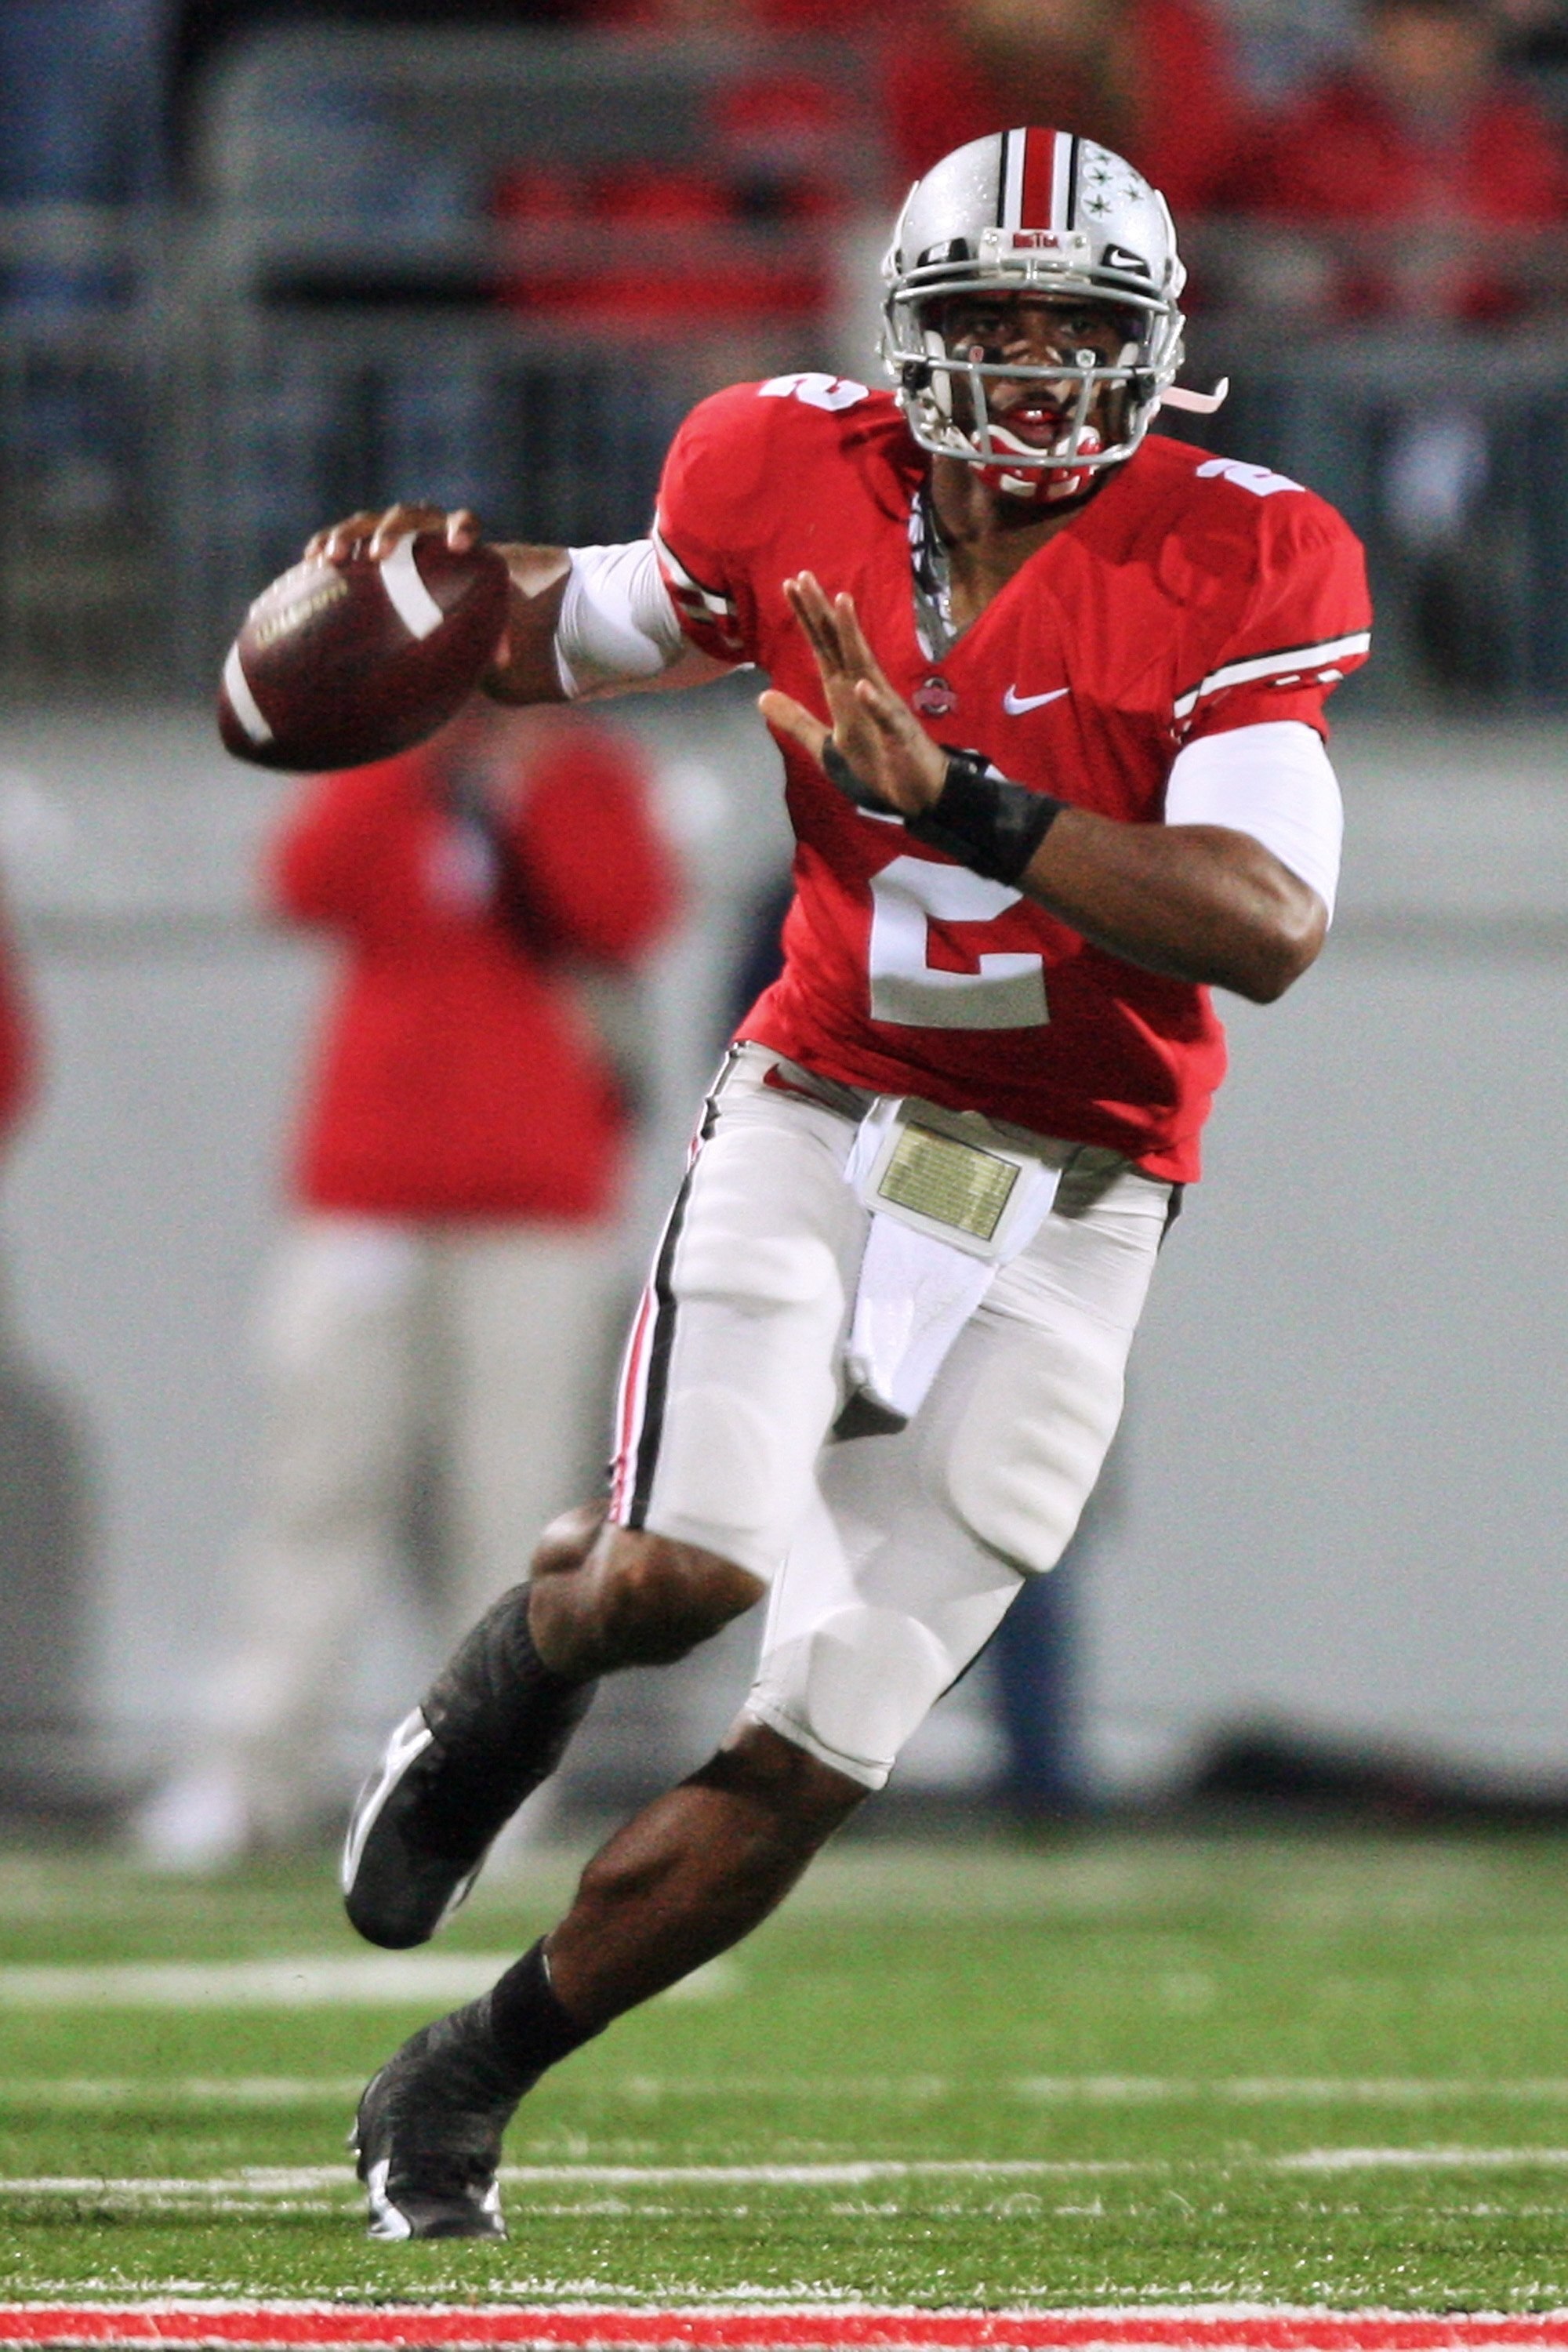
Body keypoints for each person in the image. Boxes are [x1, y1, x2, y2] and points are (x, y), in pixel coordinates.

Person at [312, 123, 1370, 2241]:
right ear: (912, 335)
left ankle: (468, 2072)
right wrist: (429, 595)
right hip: (820, 1107)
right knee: (686, 1566)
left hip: (1078, 1185)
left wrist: (966, 803)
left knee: (839, 1724)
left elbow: (1262, 917)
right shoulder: (777, 466)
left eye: (1089, 329)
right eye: (1002, 320)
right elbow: (578, 624)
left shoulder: (1249, 549)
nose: (1048, 368)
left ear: (1161, 348)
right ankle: (522, 1663)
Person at [135, 701, 677, 1866]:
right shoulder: (395, 767)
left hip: (537, 1202)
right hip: (367, 1194)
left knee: (514, 1509)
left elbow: (622, 913)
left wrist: (533, 785)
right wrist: (419, 757)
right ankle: (251, 1773)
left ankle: (491, 1790)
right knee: (314, 1490)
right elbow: (301, 881)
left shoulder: (591, 778)